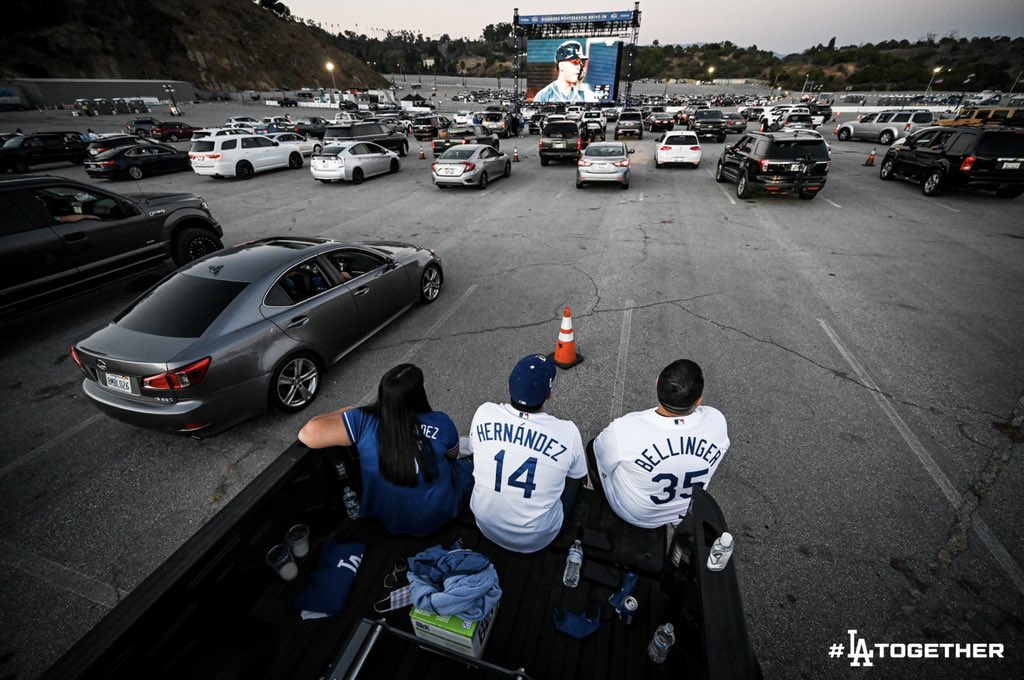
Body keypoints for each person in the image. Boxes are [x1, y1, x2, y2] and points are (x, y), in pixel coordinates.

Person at [298, 364, 473, 537]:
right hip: (437, 516)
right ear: (419, 394)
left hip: (389, 518)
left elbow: (306, 433)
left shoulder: (362, 420)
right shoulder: (440, 421)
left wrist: (348, 411)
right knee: (464, 466)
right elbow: (453, 455)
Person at [588, 360, 729, 529]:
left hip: (633, 515)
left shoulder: (625, 428)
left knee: (592, 449)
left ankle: (603, 503)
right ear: (699, 401)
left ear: (657, 384)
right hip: (685, 511)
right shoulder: (717, 421)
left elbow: (601, 456)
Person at [468, 355, 587, 553]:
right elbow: (578, 475)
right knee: (575, 477)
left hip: (486, 524)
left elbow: (472, 449)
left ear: (508, 385)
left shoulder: (484, 412)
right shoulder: (568, 431)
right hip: (538, 538)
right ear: (549, 395)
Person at [533, 41, 599, 104]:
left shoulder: (587, 96)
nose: (579, 67)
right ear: (561, 65)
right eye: (574, 62)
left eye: (579, 63)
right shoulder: (543, 96)